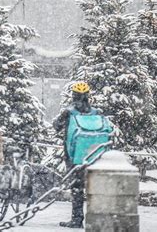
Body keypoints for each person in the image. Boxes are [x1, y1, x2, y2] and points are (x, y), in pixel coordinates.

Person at [53, 81, 95, 228]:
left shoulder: (69, 112)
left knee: (77, 188)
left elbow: (56, 126)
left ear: (73, 95)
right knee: (94, 188)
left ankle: (77, 219)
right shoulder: (95, 112)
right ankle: (95, 219)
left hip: (74, 156)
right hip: (93, 155)